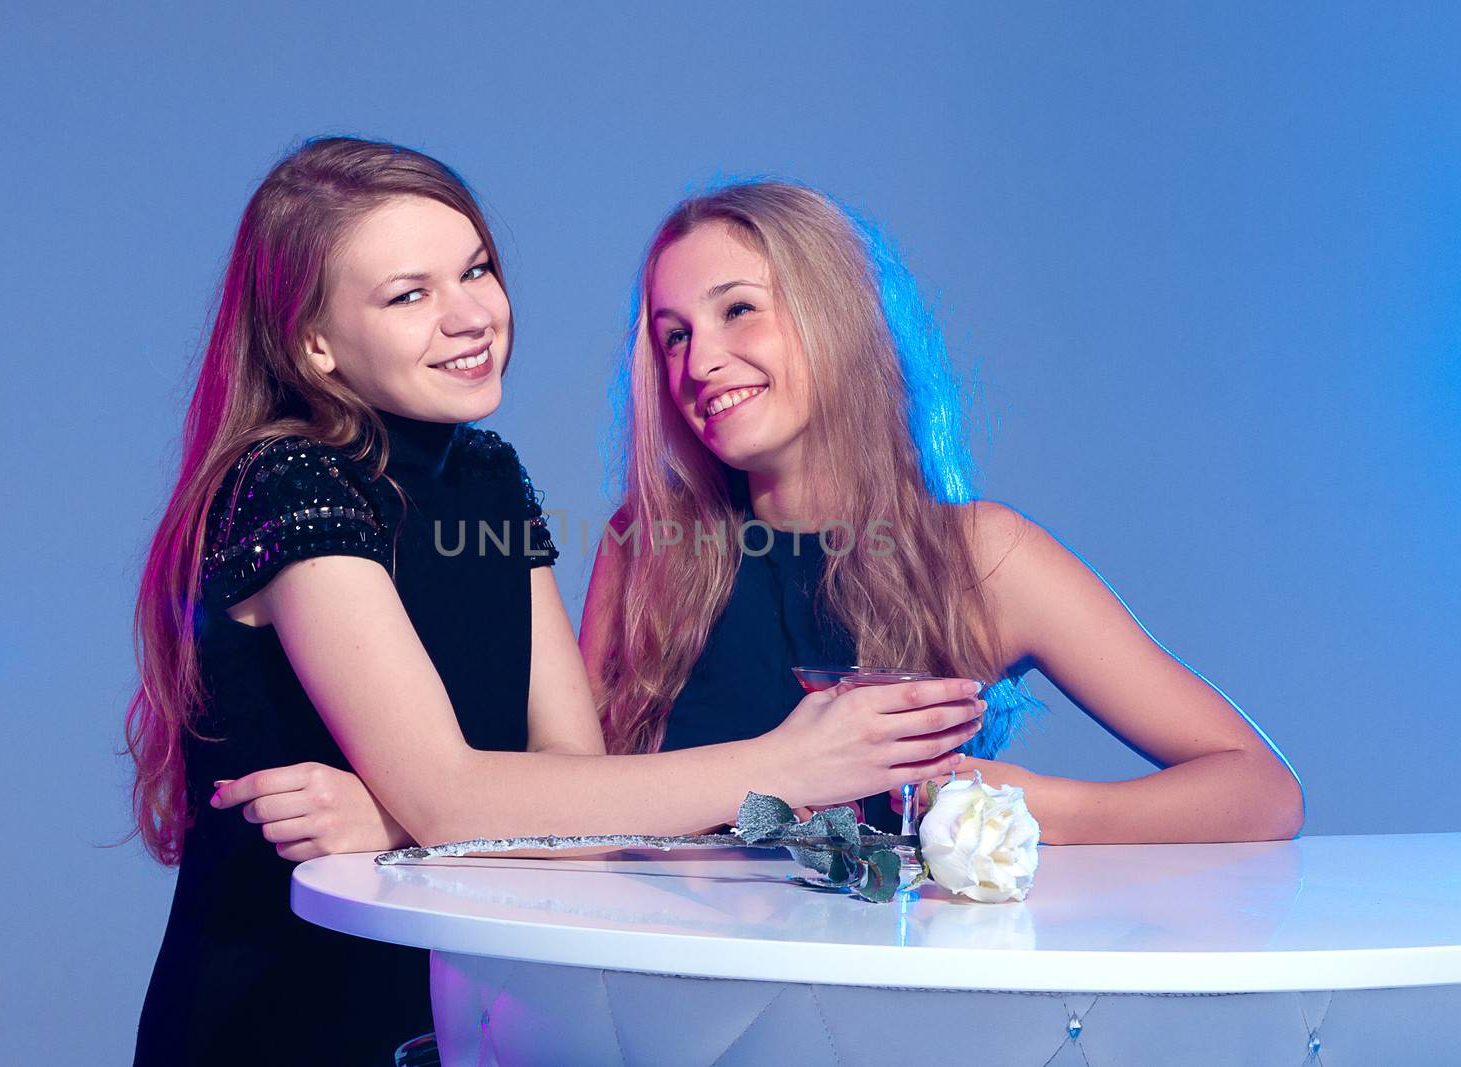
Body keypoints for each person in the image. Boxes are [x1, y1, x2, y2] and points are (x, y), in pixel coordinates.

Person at [126, 140, 983, 1065]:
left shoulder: (489, 475)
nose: (468, 317)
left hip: (454, 1010)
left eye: (476, 270)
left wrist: (395, 819)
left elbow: (577, 789)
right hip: (281, 1020)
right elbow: (464, 795)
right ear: (314, 343)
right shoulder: (292, 479)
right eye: (408, 294)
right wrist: (787, 763)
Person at [580, 179, 1304, 844]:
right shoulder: (646, 545)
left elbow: (1262, 790)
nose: (698, 362)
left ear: (836, 314)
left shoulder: (978, 557)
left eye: (737, 309)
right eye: (674, 334)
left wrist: (1035, 807)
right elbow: (564, 801)